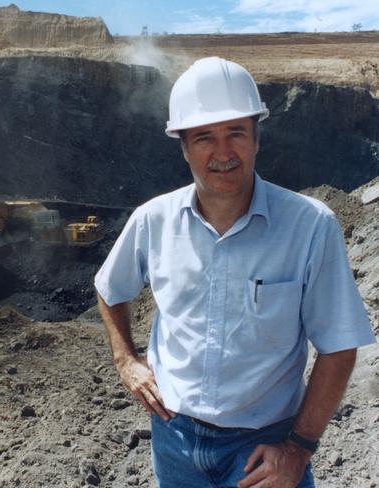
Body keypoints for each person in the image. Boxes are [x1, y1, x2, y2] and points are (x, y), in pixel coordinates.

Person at [94, 57, 376, 488]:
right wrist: (125, 360)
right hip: (174, 438)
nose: (223, 152)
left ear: (257, 139)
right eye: (205, 136)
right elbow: (110, 288)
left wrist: (298, 448)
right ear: (184, 146)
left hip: (264, 448)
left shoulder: (309, 226)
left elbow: (339, 345)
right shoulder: (153, 221)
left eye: (236, 133)